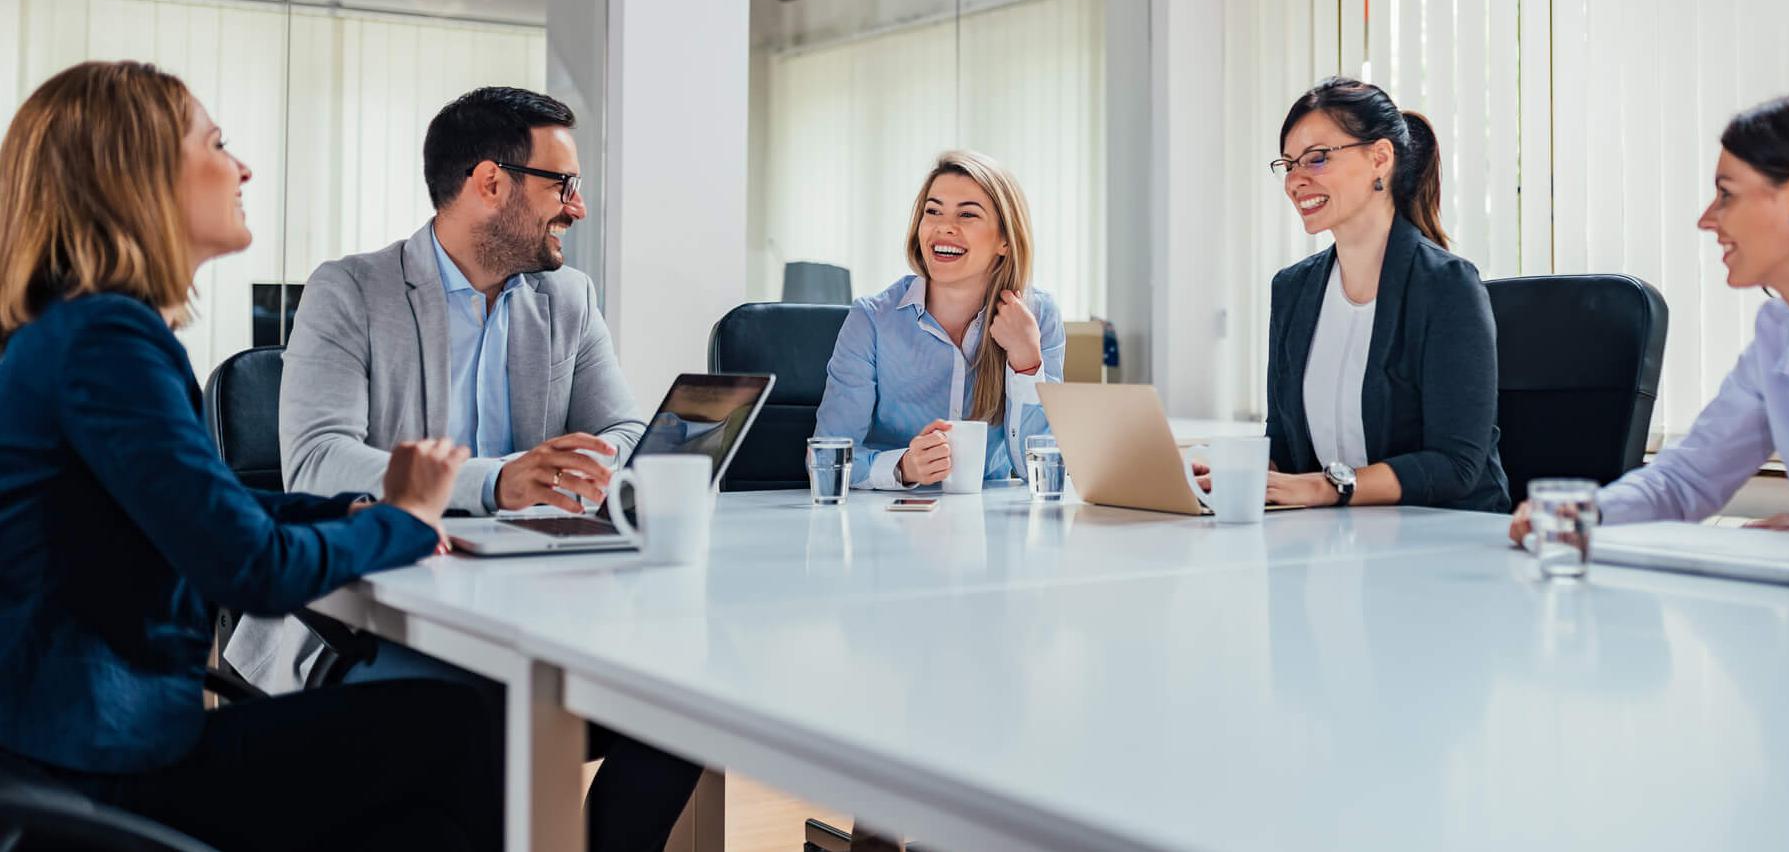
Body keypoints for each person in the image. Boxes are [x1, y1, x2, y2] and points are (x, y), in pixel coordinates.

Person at [0, 60, 496, 851]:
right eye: (218, 142)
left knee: (431, 781)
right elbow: (248, 568)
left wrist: (350, 511)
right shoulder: (105, 342)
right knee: (467, 729)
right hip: (109, 769)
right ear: (136, 174)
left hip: (70, 753)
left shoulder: (75, 333)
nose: (243, 166)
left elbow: (208, 509)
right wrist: (404, 520)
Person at [224, 86, 699, 851]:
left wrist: (592, 465)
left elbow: (626, 429)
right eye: (561, 185)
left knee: (682, 701)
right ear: (489, 184)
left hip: (533, 609)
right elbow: (316, 464)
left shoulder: (567, 299)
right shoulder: (349, 290)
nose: (576, 208)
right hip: (370, 629)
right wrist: (497, 480)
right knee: (483, 726)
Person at [1510, 90, 1789, 550]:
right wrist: (1584, 515)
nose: (1707, 220)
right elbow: (1689, 479)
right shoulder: (1781, 331)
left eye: (1726, 195)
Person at [1248, 76, 1509, 512]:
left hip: (1446, 540)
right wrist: (1241, 474)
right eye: (1288, 165)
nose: (1295, 181)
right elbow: (1287, 448)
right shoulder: (1292, 290)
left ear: (1380, 158)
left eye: (1315, 159)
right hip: (1337, 540)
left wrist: (1324, 488)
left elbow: (1456, 463)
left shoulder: (1446, 286)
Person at [815, 150, 1065, 490]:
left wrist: (1025, 360)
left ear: (1005, 240)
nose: (944, 226)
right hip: (888, 523)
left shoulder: (1039, 317)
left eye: (967, 215)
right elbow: (829, 454)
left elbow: (1036, 470)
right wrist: (903, 466)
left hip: (991, 526)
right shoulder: (871, 320)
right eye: (932, 211)